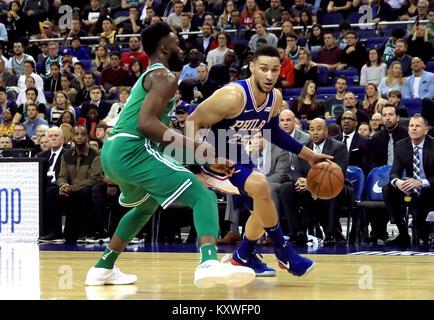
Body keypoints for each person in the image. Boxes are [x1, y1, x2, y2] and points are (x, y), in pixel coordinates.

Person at [85, 22, 255, 288]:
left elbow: (160, 139)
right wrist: (202, 150)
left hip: (115, 152)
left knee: (145, 207)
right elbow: (147, 125)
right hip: (132, 148)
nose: (181, 46)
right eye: (176, 41)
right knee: (203, 196)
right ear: (164, 47)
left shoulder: (156, 76)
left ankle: (103, 267)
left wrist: (202, 158)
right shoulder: (164, 76)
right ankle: (208, 263)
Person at [187, 45, 333, 277]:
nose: (269, 75)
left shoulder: (274, 98)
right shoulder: (232, 96)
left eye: (275, 70)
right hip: (214, 158)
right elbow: (192, 120)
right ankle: (284, 253)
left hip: (239, 158)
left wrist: (310, 155)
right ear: (252, 68)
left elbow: (274, 132)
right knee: (262, 187)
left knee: (262, 207)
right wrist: (196, 162)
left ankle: (243, 256)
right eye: (264, 69)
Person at [278, 118, 349, 245]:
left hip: (332, 189)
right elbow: (297, 171)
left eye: (319, 129)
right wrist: (300, 181)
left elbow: (339, 173)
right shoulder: (305, 149)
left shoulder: (339, 147)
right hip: (308, 192)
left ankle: (331, 233)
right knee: (285, 188)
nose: (315, 132)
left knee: (336, 189)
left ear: (326, 131)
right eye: (312, 129)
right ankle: (297, 232)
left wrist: (311, 183)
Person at [382, 115, 434, 246]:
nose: (414, 129)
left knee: (420, 229)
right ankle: (403, 233)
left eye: (418, 126)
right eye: (411, 126)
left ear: (426, 130)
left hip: (430, 190)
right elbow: (394, 172)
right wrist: (399, 183)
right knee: (388, 188)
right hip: (410, 189)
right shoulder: (401, 146)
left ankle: (422, 231)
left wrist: (421, 182)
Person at [37, 126, 67, 242]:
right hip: (44, 186)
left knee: (50, 191)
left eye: (56, 136)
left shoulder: (68, 154)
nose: (53, 139)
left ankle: (56, 233)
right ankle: (41, 230)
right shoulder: (41, 156)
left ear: (62, 139)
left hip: (60, 188)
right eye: (50, 136)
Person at [334, 110, 370, 176]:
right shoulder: (333, 140)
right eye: (344, 119)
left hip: (356, 178)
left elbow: (365, 166)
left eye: (350, 119)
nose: (346, 121)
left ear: (356, 123)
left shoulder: (364, 141)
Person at [402, 57, 434, 126]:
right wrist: (413, 102)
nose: (416, 64)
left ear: (422, 64)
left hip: (426, 103)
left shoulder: (431, 76)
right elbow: (406, 94)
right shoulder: (408, 80)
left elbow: (432, 92)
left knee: (426, 101)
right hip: (413, 104)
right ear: (411, 66)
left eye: (418, 62)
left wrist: (420, 101)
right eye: (413, 63)